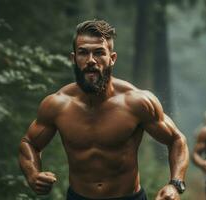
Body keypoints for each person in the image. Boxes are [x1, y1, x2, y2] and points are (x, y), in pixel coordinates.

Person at [18, 19, 189, 200]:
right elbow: (29, 143)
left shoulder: (137, 102)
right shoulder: (57, 105)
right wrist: (32, 174)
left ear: (112, 58)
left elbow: (177, 140)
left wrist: (175, 184)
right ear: (73, 58)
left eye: (99, 53)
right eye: (83, 53)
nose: (91, 60)